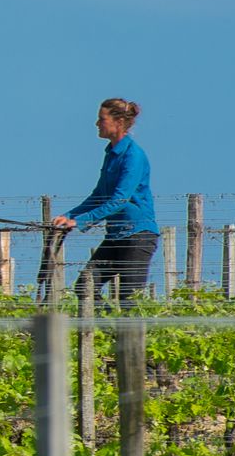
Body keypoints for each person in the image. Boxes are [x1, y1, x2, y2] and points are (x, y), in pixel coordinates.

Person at [52, 98, 158, 306]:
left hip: (138, 236)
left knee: (129, 300)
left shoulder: (133, 156)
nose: (97, 124)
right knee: (85, 286)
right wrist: (70, 216)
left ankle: (124, 333)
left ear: (118, 122)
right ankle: (107, 329)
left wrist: (81, 222)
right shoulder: (112, 154)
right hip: (116, 235)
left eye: (101, 119)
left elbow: (119, 200)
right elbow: (99, 195)